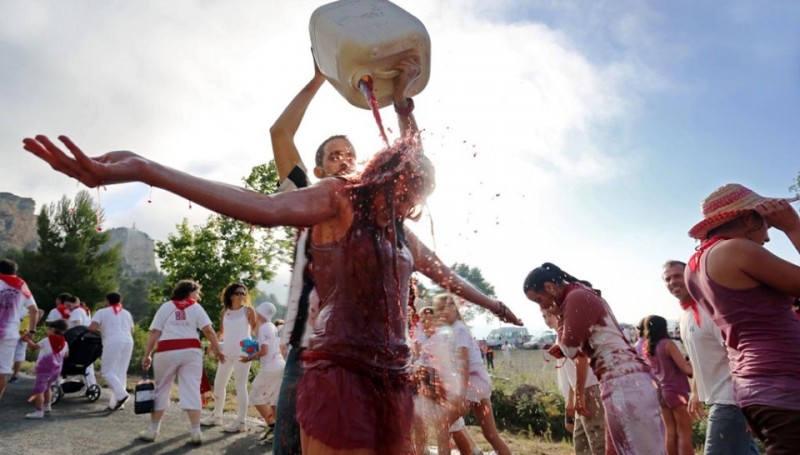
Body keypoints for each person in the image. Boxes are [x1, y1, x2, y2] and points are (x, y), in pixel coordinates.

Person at [23, 109, 520, 455]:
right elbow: (263, 207)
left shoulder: (399, 232)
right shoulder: (337, 197)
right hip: (340, 373)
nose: (412, 203)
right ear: (388, 178)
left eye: (418, 196)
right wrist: (146, 170)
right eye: (408, 190)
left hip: (393, 380)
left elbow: (445, 275)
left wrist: (493, 305)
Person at [268, 57, 418, 455]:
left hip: (372, 359)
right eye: (333, 155)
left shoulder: (375, 212)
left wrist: (401, 100)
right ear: (317, 170)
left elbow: (409, 163)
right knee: (288, 450)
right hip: (309, 351)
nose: (343, 158)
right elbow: (280, 132)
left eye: (349, 153)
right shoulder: (311, 198)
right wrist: (319, 77)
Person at [684, 183, 800, 453]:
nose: (768, 238)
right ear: (748, 218)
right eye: (766, 226)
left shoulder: (694, 267)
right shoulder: (736, 250)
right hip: (783, 384)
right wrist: (794, 228)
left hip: (753, 386)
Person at [523, 263, 665, 454]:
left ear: (549, 287)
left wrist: (559, 319)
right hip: (621, 380)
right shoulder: (580, 293)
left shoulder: (576, 297)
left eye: (539, 300)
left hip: (626, 382)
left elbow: (571, 348)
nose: (542, 306)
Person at [663, 259, 758, 455]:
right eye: (667, 279)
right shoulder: (685, 315)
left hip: (731, 400)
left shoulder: (711, 310)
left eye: (677, 276)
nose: (672, 282)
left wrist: (750, 404)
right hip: (720, 399)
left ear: (692, 276)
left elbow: (739, 355)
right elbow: (698, 358)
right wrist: (696, 392)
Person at [138, 279, 226, 445]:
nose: (198, 296)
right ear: (189, 292)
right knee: (192, 389)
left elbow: (155, 332)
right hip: (191, 352)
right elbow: (208, 330)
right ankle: (195, 432)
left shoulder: (166, 306)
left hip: (166, 351)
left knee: (162, 389)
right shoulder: (196, 307)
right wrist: (218, 350)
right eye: (197, 292)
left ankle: (152, 431)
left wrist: (147, 355)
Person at [433, 293, 512, 455]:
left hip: (472, 385)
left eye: (446, 308)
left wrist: (461, 395)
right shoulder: (455, 329)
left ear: (454, 309)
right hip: (481, 383)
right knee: (490, 434)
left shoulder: (459, 330)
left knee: (442, 423)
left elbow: (464, 363)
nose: (442, 312)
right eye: (439, 310)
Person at [543, 308, 606, 455]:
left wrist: (576, 396)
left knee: (598, 444)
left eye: (550, 315)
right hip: (582, 392)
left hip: (588, 390)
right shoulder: (561, 335)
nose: (547, 319)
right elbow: (572, 371)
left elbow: (581, 360)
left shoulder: (570, 332)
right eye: (544, 316)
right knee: (582, 445)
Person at [201, 283, 257, 432]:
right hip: (226, 353)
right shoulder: (225, 312)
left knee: (240, 386)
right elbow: (221, 332)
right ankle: (217, 416)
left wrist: (265, 343)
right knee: (219, 384)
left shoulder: (248, 311)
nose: (242, 295)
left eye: (244, 293)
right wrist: (213, 345)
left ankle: (241, 422)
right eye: (238, 293)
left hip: (243, 354)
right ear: (231, 295)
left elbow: (257, 330)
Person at [643, 315, 693, 455]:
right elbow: (686, 369)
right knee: (684, 434)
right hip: (676, 391)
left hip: (661, 392)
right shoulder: (668, 344)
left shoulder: (648, 347)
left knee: (670, 433)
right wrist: (694, 362)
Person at [0, 258, 39, 401]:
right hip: (10, 333)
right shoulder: (21, 286)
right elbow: (34, 310)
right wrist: (32, 331)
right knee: (3, 371)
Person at [246, 302, 285, 445]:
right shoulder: (272, 326)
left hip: (270, 366)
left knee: (255, 395)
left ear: (260, 313)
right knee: (273, 398)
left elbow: (264, 351)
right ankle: (280, 431)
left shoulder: (264, 328)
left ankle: (272, 426)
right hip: (280, 364)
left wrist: (248, 358)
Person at [88, 292, 135, 411]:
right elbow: (132, 330)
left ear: (107, 301)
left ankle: (121, 395)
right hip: (128, 341)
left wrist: (102, 330)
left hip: (112, 341)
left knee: (107, 371)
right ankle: (116, 403)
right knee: (120, 372)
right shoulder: (126, 313)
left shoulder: (102, 312)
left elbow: (92, 327)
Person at [23, 319, 69, 418]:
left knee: (39, 390)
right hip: (56, 370)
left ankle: (39, 411)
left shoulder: (47, 340)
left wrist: (27, 339)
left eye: (49, 329)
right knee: (48, 388)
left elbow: (34, 347)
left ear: (54, 330)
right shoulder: (65, 343)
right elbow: (66, 355)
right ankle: (47, 407)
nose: (47, 330)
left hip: (44, 369)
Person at [64, 294, 97, 389]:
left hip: (77, 341)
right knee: (88, 365)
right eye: (66, 305)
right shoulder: (84, 311)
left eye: (69, 305)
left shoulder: (76, 312)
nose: (67, 308)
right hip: (86, 340)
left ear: (75, 303)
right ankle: (91, 385)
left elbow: (77, 327)